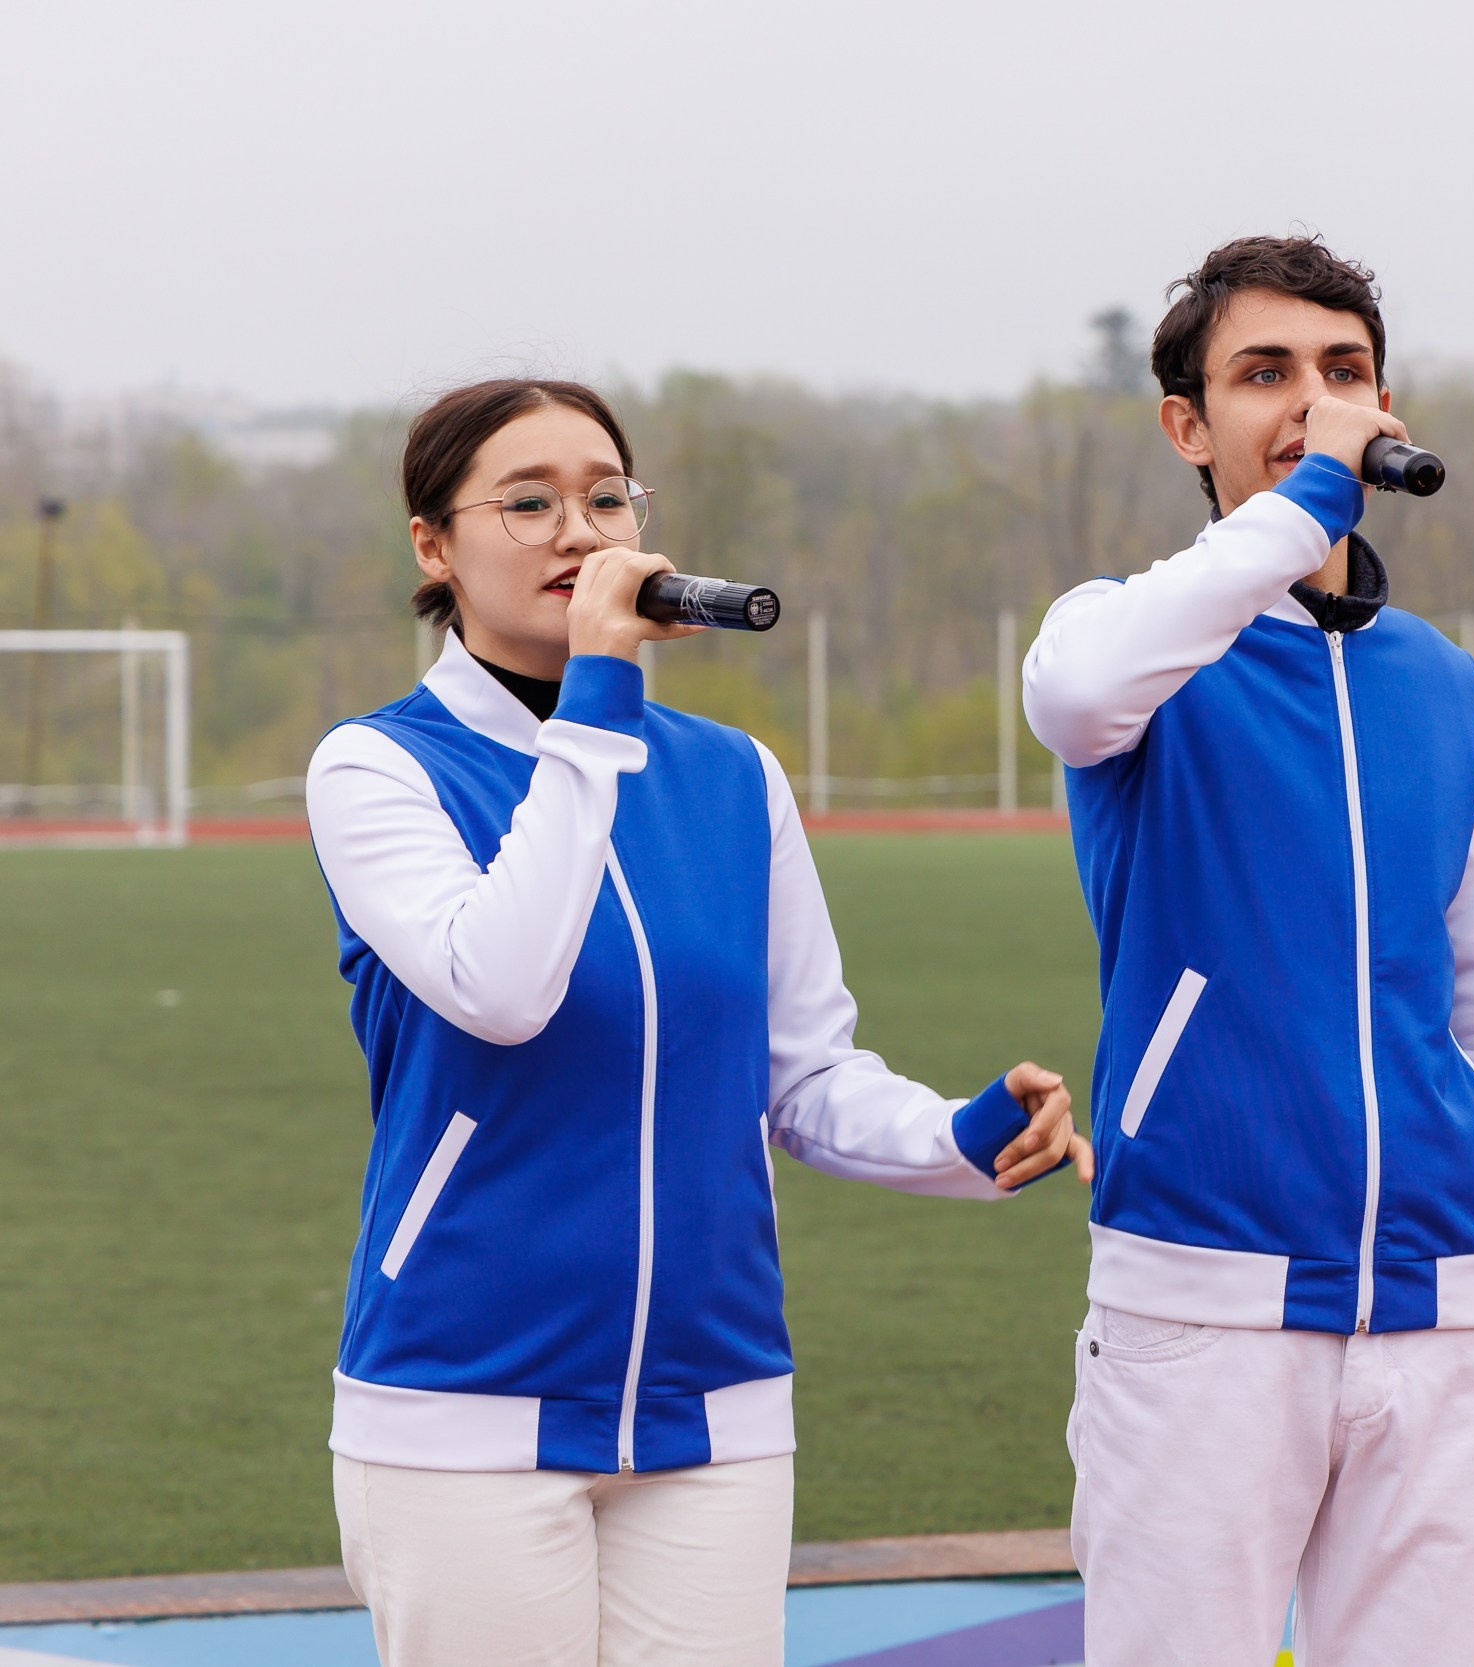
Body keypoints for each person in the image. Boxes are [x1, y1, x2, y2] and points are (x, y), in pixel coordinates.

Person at [306, 378, 1086, 1667]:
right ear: (432, 546)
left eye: (606, 496)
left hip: (716, 1401)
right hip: (463, 1402)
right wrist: (600, 707)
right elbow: (502, 985)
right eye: (528, 501)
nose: (578, 529)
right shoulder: (379, 766)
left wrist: (955, 1132)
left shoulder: (733, 776)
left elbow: (803, 1073)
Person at [1022, 235, 1474, 1667]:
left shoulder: (1453, 690)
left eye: (1344, 372)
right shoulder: (1120, 639)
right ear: (1186, 424)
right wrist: (1304, 502)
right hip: (1203, 1306)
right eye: (1264, 373)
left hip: (1445, 1302)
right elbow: (1081, 692)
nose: (1311, 400)